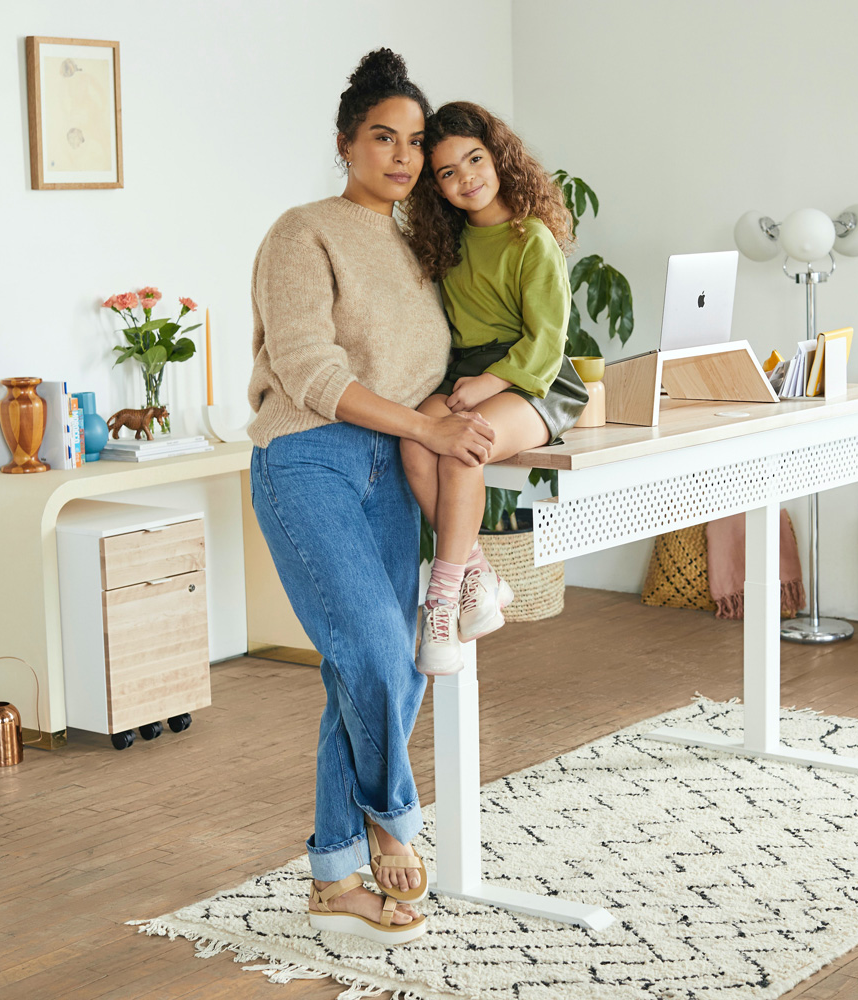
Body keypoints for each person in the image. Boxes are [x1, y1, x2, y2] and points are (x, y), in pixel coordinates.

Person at [247, 49, 496, 946]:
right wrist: (426, 428)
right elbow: (310, 368)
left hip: (394, 463)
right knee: (378, 650)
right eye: (382, 138)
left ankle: (332, 877)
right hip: (308, 456)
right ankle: (393, 820)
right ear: (346, 142)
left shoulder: (425, 242)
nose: (400, 156)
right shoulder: (301, 231)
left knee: (365, 671)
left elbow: (453, 355)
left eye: (414, 141)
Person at [401, 101, 588, 676]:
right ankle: (478, 573)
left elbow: (547, 340)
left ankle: (441, 600)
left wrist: (487, 383)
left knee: (462, 448)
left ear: (499, 155)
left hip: (537, 379)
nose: (466, 179)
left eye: (474, 160)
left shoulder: (531, 238)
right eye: (447, 173)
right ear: (435, 186)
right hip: (468, 376)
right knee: (414, 438)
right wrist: (468, 383)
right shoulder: (447, 245)